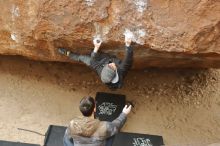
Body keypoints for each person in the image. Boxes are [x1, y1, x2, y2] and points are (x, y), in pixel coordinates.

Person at [58, 36, 133, 89]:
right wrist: (128, 44)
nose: (111, 64)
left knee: (82, 58)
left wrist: (96, 47)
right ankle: (69, 54)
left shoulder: (102, 71)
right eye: (111, 66)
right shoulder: (122, 70)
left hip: (100, 63)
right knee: (89, 57)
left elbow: (93, 60)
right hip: (103, 62)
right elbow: (128, 60)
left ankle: (68, 53)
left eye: (109, 65)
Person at [63, 96, 132, 146]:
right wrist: (124, 114)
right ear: (94, 109)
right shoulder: (104, 126)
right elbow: (117, 125)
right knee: (112, 131)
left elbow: (67, 138)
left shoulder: (72, 124)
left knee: (66, 138)